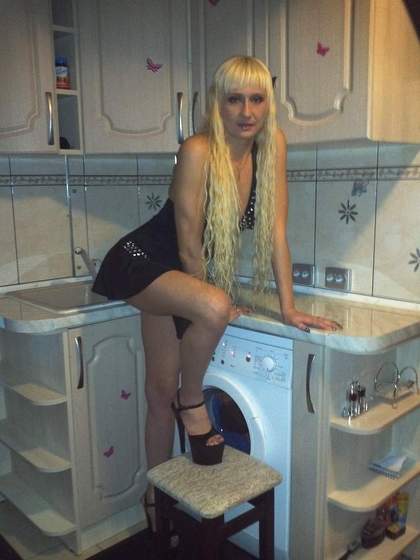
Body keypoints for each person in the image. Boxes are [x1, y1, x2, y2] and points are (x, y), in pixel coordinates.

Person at [92, 55, 341, 530]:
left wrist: (289, 308)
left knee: (158, 392)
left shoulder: (272, 147)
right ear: (217, 104)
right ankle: (190, 408)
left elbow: (276, 232)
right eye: (234, 100)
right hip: (144, 262)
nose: (247, 111)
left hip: (178, 278)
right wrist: (211, 302)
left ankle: (155, 500)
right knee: (207, 321)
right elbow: (189, 243)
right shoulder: (198, 150)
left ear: (268, 103)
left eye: (257, 99)